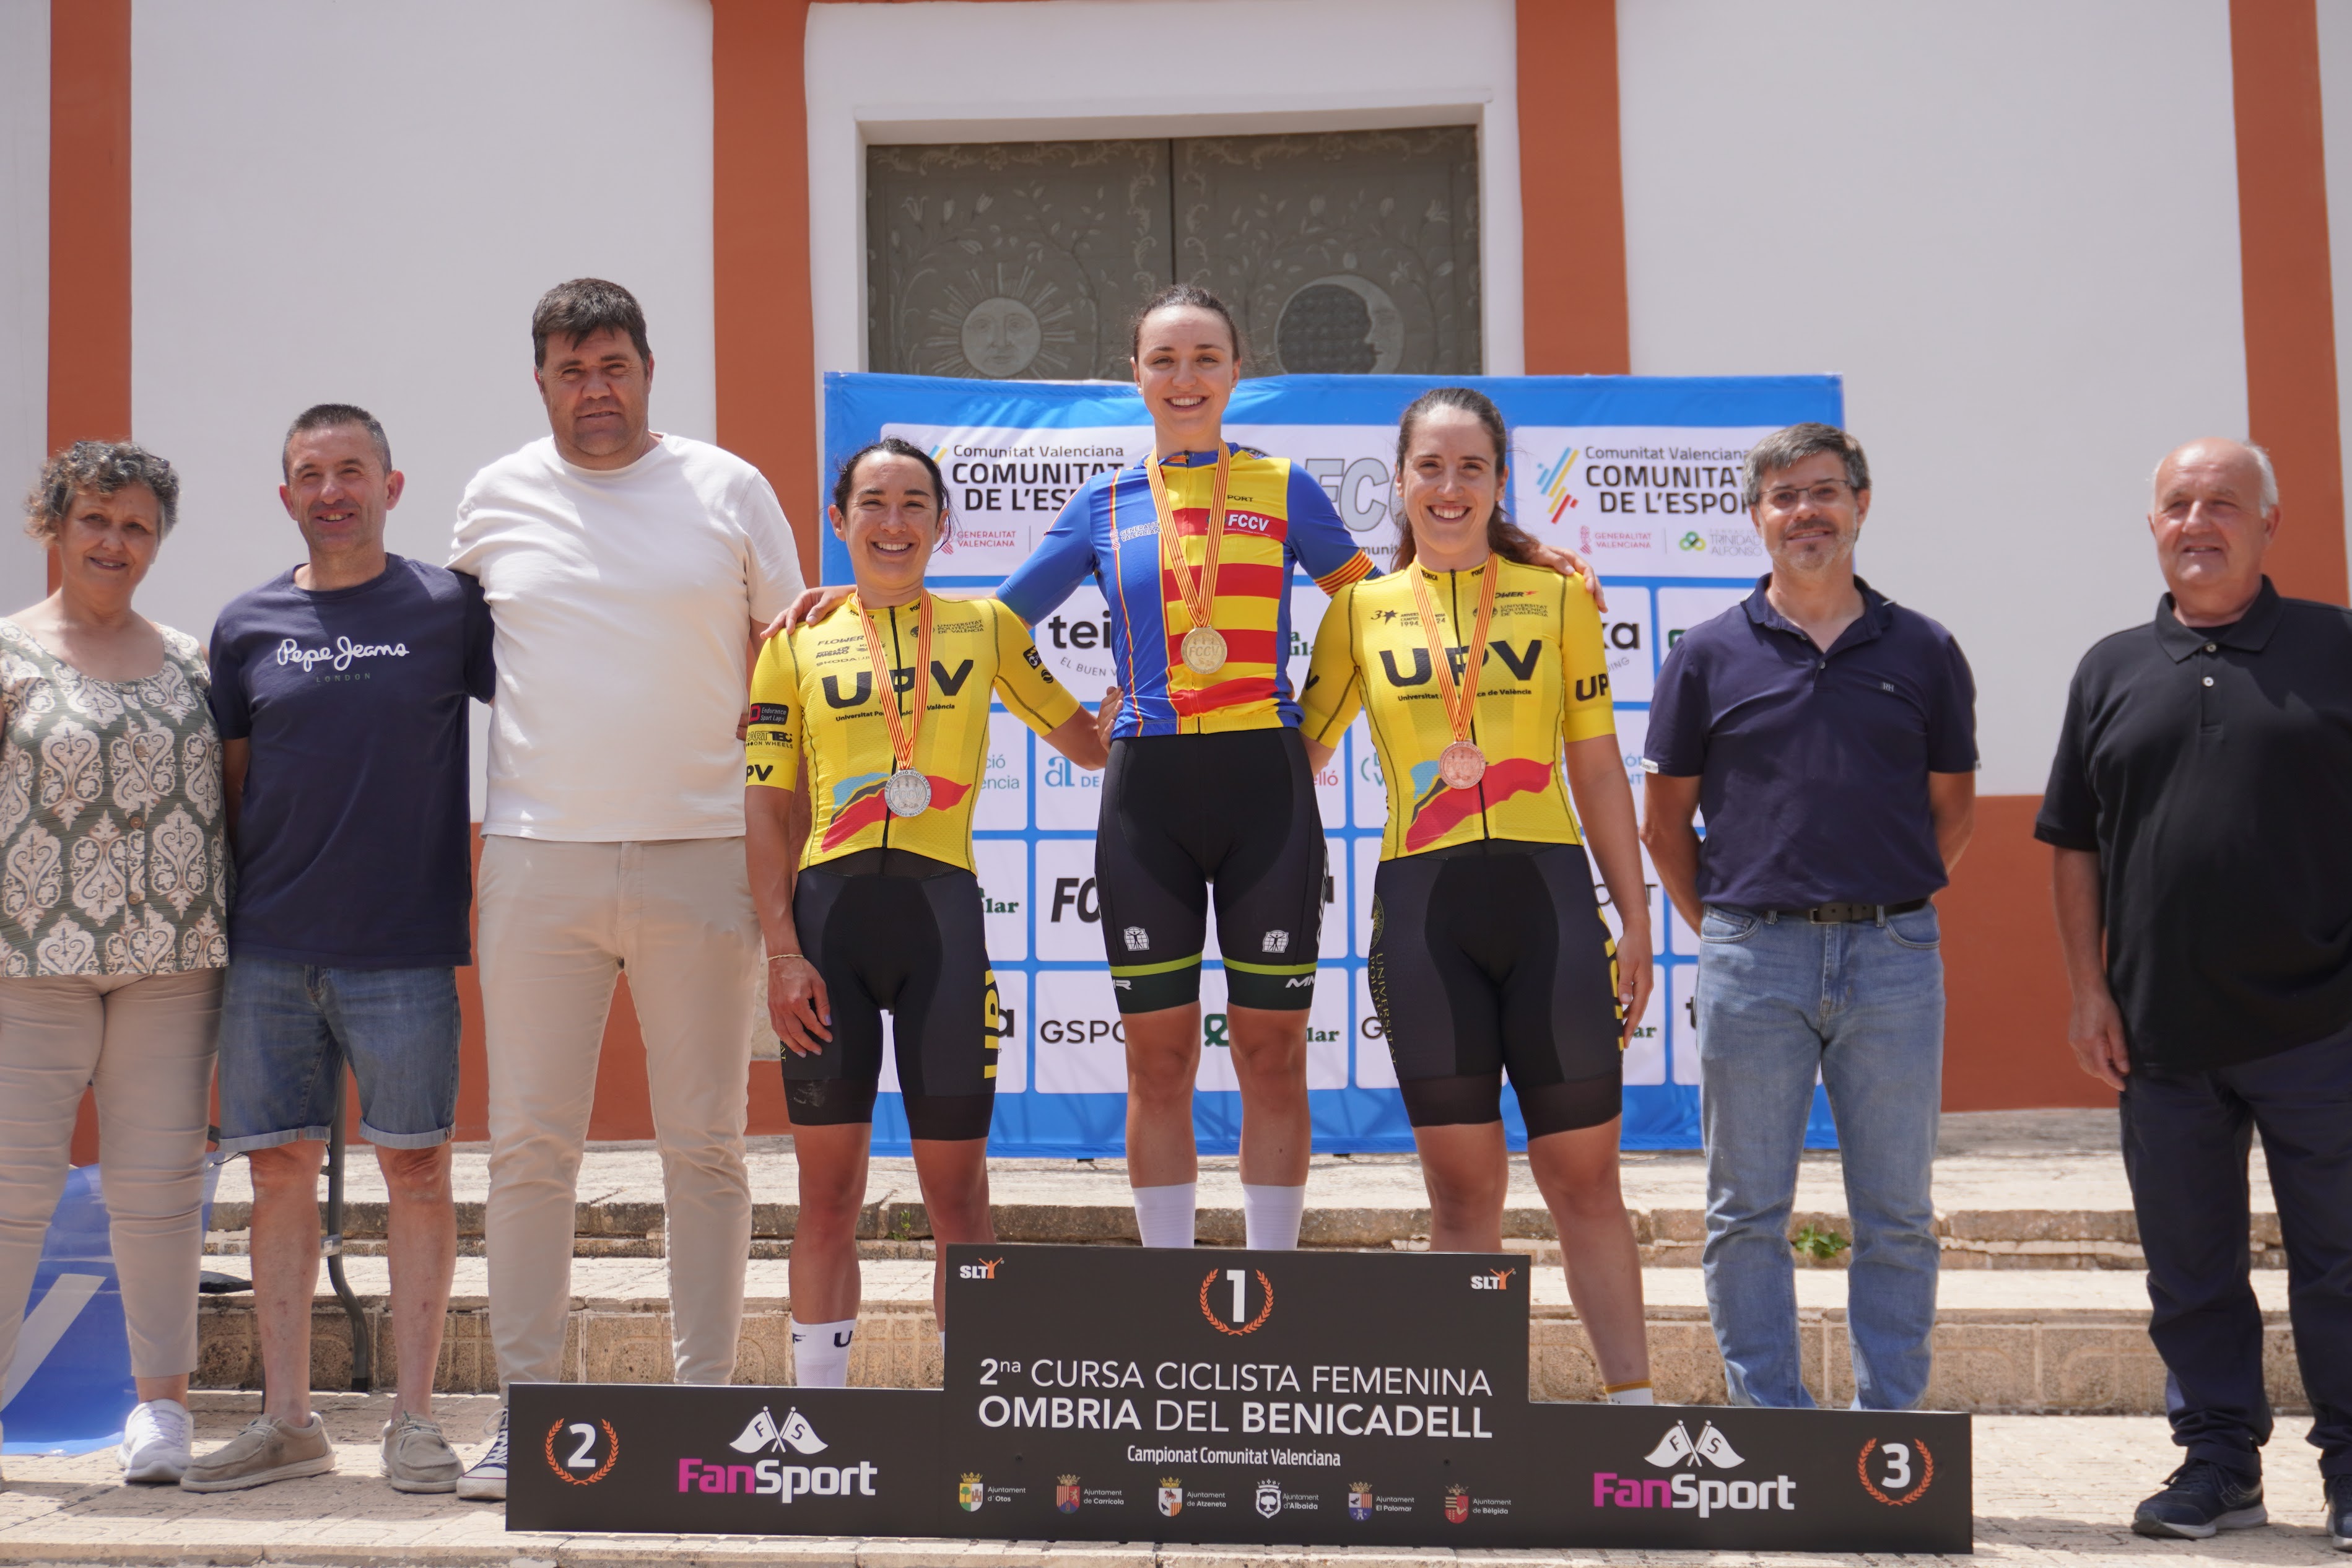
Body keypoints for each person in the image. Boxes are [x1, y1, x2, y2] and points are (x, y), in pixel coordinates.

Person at [781, 285, 1592, 1251]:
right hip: (1147, 798)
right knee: (1155, 1060)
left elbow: (1399, 600)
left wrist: (1504, 551)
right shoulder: (1102, 505)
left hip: (1267, 789)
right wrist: (864, 587)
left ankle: (1271, 1283)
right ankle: (1172, 1285)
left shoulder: (1285, 489)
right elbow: (984, 623)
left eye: (1205, 358)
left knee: (1271, 1051)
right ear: (1136, 375)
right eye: (1163, 360)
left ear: (1235, 373)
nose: (1184, 378)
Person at [445, 279, 805, 1499]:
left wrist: (783, 868)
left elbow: (792, 672)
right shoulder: (492, 501)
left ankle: (704, 1408)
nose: (592, 390)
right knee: (529, 1148)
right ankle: (527, 1411)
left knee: (704, 1145)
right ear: (539, 381)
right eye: (567, 371)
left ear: (648, 370)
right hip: (537, 860)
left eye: (612, 365)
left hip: (703, 854)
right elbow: (456, 672)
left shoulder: (727, 488)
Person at [1299, 387, 1655, 1403]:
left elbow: (1594, 768)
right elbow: (1296, 760)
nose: (1448, 489)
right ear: (1399, 480)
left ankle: (1631, 1410)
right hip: (1423, 919)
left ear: (1498, 483)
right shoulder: (1358, 613)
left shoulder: (1555, 600)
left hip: (1547, 906)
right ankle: (1468, 1419)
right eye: (1429, 468)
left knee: (1585, 1182)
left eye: (1470, 470)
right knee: (1461, 1190)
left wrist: (1633, 915)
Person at [2038, 438, 2352, 1548]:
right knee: (2189, 1267)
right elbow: (2072, 842)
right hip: (2160, 1034)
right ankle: (2218, 1462)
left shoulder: (2334, 646)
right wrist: (2088, 990)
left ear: (2270, 524)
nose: (2198, 521)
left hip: (2322, 1026)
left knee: (2339, 1257)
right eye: (2178, 504)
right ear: (2153, 528)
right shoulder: (2110, 666)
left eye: (2222, 502)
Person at [178, 406, 492, 1494]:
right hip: (269, 949)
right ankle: (287, 1421)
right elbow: (229, 785)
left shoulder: (449, 607)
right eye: (310, 475)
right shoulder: (246, 623)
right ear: (286, 498)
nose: (332, 491)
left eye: (351, 470)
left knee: (416, 1170)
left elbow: (564, 682)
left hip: (404, 945)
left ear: (392, 486)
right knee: (275, 1177)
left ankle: (413, 1419)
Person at [749, 439, 1106, 1383]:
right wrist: (779, 953)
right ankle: (818, 1419)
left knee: (959, 1198)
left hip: (943, 929)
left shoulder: (985, 628)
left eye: (915, 503)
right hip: (826, 931)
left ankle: (973, 1408)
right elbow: (764, 806)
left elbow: (1087, 743)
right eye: (873, 502)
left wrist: (1147, 695)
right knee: (826, 1195)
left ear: (943, 524)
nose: (894, 522)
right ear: (840, 520)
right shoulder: (794, 641)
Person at [1640, 422, 1975, 1411]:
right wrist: (1737, 929)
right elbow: (1665, 825)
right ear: (1755, 518)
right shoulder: (1704, 655)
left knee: (1899, 1214)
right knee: (1745, 1212)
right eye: (1783, 497)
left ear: (1861, 505)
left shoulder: (1923, 649)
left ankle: (1888, 1435)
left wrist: (1885, 899)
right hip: (1755, 959)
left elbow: (1950, 813)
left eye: (1824, 491)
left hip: (1894, 958)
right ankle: (1772, 1431)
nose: (1805, 513)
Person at [0, 442, 227, 1485]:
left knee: (159, 1188)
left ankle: (161, 1415)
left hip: (171, 963)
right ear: (51, 526)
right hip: (28, 960)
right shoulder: (7, 658)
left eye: (136, 526)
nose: (114, 542)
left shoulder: (190, 661)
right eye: (94, 520)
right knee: (12, 1191)